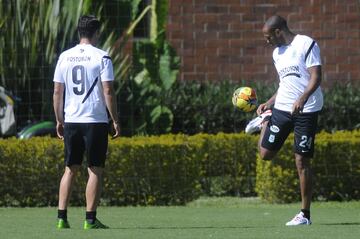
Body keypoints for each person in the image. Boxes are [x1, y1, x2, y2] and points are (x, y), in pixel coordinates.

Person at [245, 15, 323, 226]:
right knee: (265, 154)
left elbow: (316, 76)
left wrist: (302, 98)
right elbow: (285, 85)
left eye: (268, 36)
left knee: (301, 161)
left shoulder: (306, 44)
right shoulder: (277, 53)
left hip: (306, 110)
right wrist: (269, 103)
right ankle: (266, 119)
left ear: (278, 31)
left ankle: (304, 215)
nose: (266, 41)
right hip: (282, 108)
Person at [53, 15, 120, 229]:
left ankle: (61, 218)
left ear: (78, 32)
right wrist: (115, 120)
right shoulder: (102, 57)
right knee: (95, 169)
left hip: (72, 120)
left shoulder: (65, 56)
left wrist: (59, 119)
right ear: (96, 33)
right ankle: (90, 220)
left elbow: (57, 91)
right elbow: (108, 90)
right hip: (95, 121)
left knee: (69, 169)